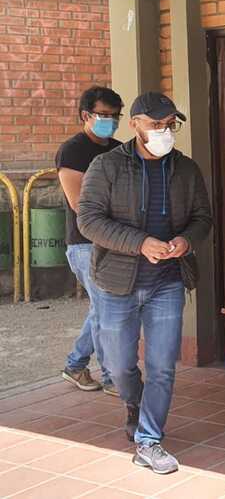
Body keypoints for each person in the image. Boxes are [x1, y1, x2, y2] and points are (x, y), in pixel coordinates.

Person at [78, 92, 212, 475]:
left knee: (162, 366)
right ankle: (134, 403)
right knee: (118, 365)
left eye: (170, 125)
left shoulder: (186, 169)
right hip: (116, 283)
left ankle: (149, 440)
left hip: (166, 282)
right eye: (156, 125)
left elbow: (203, 218)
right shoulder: (106, 166)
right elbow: (88, 220)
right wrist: (140, 243)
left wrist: (186, 240)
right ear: (134, 124)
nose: (164, 132)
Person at [57, 86, 123, 395]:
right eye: (104, 115)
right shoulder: (72, 151)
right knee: (107, 308)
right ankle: (112, 377)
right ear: (86, 115)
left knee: (102, 308)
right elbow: (80, 204)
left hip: (118, 241)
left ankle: (75, 365)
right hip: (85, 244)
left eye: (115, 116)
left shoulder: (120, 150)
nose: (111, 122)